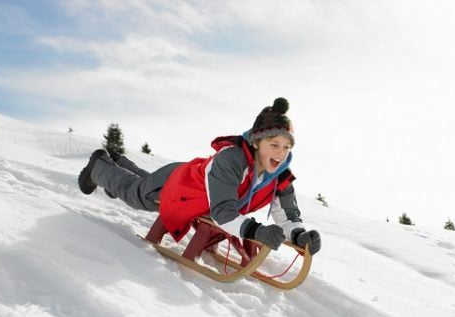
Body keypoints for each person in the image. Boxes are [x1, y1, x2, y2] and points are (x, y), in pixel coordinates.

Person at [77, 97, 321, 255]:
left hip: (199, 193)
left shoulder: (280, 176)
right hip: (179, 185)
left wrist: (300, 235)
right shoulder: (231, 160)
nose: (280, 153)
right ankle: (99, 166)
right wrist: (256, 232)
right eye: (274, 144)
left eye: (286, 147)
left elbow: (287, 214)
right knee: (136, 194)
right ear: (257, 142)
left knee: (141, 183)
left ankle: (119, 162)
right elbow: (223, 213)